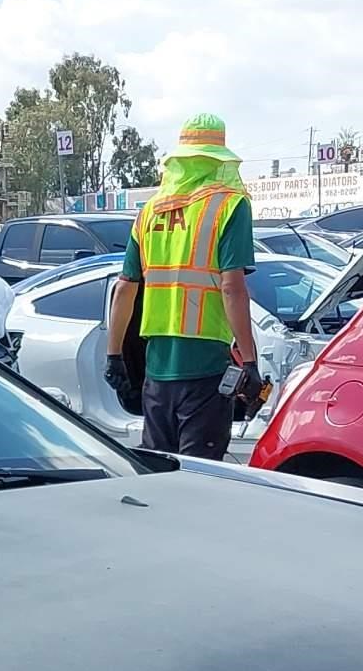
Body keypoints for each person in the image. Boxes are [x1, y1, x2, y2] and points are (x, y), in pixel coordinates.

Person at [104, 113, 264, 459]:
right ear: (218, 157)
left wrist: (114, 354)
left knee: (162, 473)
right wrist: (249, 362)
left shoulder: (150, 211)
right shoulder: (229, 205)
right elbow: (231, 287)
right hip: (205, 367)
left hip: (157, 369)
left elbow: (125, 288)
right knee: (200, 479)